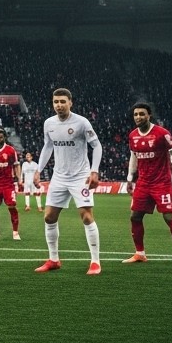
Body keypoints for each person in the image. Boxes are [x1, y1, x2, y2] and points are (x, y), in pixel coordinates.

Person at [31, 88, 103, 276]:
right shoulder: (49, 123)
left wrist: (94, 171)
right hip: (59, 177)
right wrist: (39, 169)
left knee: (87, 217)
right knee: (49, 217)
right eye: (56, 102)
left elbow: (96, 146)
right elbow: (48, 146)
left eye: (63, 101)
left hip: (81, 177)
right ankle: (54, 259)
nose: (59, 105)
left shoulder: (81, 122)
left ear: (70, 102)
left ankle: (95, 261)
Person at [121, 102, 172, 266]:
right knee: (135, 216)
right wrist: (130, 178)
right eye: (136, 114)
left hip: (162, 183)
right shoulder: (133, 135)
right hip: (143, 183)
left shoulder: (161, 133)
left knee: (168, 216)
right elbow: (133, 157)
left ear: (149, 115)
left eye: (142, 114)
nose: (138, 117)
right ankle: (140, 253)